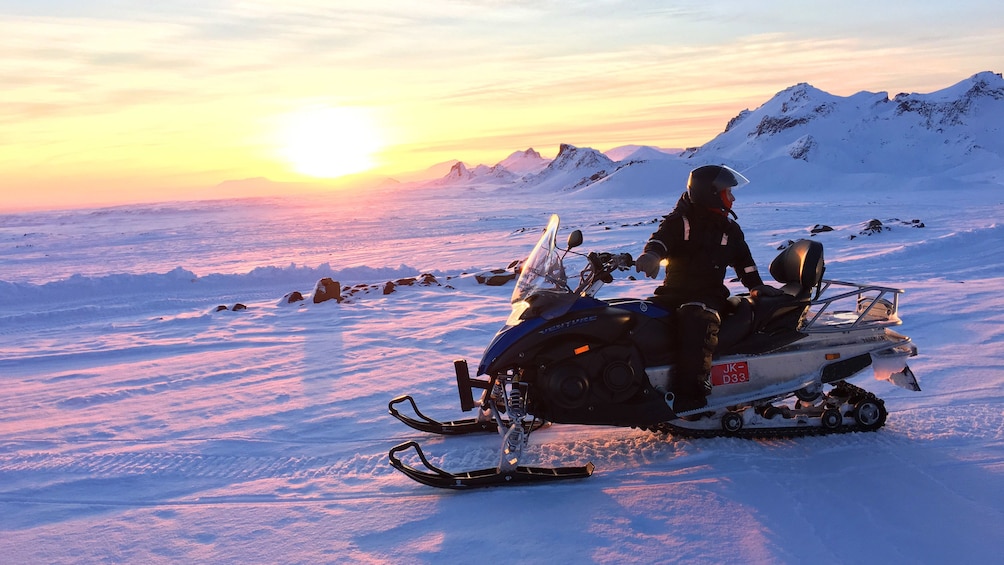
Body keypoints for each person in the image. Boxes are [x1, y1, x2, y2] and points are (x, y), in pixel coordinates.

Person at [635, 164, 782, 413]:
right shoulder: (680, 221)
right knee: (638, 318)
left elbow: (744, 263)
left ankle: (692, 396)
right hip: (672, 294)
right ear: (711, 193)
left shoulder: (729, 229)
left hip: (708, 297)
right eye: (728, 192)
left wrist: (755, 286)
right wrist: (651, 255)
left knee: (696, 317)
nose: (732, 197)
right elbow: (661, 239)